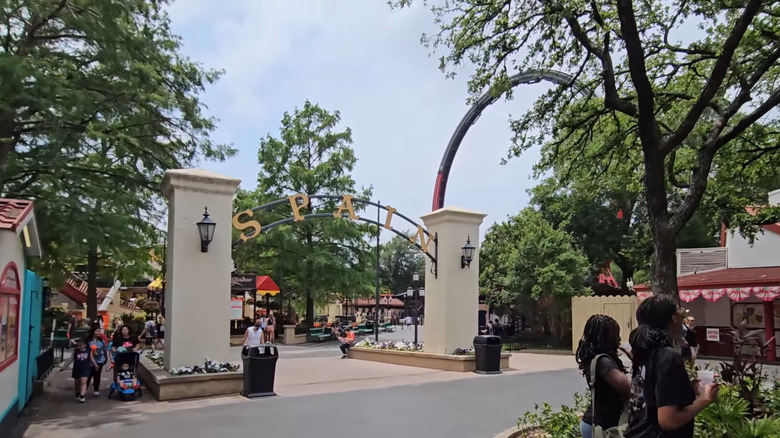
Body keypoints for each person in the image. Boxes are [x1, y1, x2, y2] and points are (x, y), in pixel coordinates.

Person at [625, 295, 719, 438]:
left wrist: (687, 389)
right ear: (674, 318)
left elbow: (654, 397)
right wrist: (703, 400)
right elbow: (668, 420)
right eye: (681, 314)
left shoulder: (644, 352)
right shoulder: (668, 356)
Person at [576, 315, 631, 438]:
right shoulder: (603, 362)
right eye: (616, 335)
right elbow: (629, 389)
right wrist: (638, 361)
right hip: (601, 428)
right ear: (606, 338)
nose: (619, 339)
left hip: (599, 424)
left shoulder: (598, 358)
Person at [87, 329, 109, 397]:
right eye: (97, 331)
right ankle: (84, 388)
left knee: (97, 374)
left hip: (99, 360)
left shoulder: (101, 341)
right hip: (89, 361)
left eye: (100, 331)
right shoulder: (88, 341)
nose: (99, 333)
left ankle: (96, 389)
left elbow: (104, 350)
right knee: (88, 374)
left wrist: (105, 358)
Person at [71, 338, 91, 403]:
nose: (79, 347)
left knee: (83, 382)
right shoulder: (76, 351)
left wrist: (95, 365)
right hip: (77, 368)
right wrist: (64, 367)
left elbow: (92, 358)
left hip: (85, 369)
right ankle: (77, 393)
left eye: (81, 345)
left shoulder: (88, 351)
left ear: (85, 345)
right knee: (77, 382)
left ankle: (82, 396)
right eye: (78, 345)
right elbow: (71, 359)